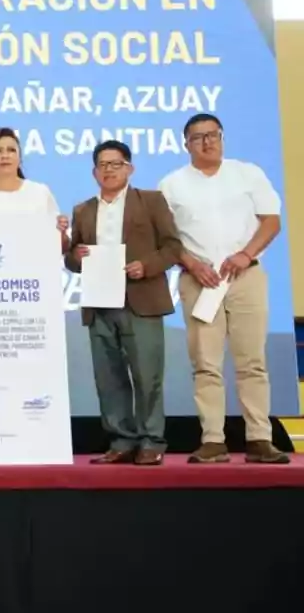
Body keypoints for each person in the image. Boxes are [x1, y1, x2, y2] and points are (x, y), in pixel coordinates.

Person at [158, 114, 290, 464]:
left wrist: (247, 254)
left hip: (245, 276)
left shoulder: (247, 173)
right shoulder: (171, 185)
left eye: (213, 135)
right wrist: (191, 264)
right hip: (199, 280)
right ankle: (213, 439)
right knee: (205, 363)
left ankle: (259, 438)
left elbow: (271, 220)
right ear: (186, 144)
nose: (208, 142)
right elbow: (166, 238)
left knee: (252, 362)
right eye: (198, 137)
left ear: (222, 137)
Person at [64, 141, 182, 467]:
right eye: (102, 164)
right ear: (93, 172)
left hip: (141, 298)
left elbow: (173, 247)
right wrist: (76, 256)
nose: (109, 170)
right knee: (109, 378)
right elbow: (72, 259)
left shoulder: (151, 201)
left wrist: (147, 265)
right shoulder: (83, 210)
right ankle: (121, 440)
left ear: (129, 168)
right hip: (99, 302)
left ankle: (152, 441)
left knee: (147, 376)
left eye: (116, 164)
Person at [0, 127, 70, 245]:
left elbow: (59, 245)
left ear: (19, 159)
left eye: (11, 150)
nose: (5, 155)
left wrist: (61, 233)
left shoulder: (40, 192)